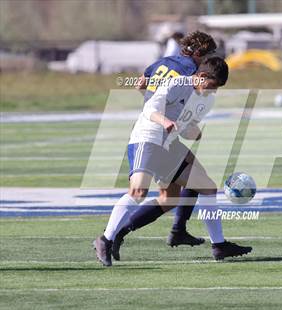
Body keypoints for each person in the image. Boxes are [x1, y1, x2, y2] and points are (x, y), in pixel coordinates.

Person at [94, 57, 252, 266]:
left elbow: (186, 127)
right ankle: (105, 239)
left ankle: (219, 246)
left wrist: (193, 132)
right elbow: (150, 110)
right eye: (212, 86)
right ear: (201, 76)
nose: (213, 92)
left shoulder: (205, 99)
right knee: (138, 191)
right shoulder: (176, 83)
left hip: (168, 145)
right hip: (147, 138)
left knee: (206, 187)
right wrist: (165, 121)